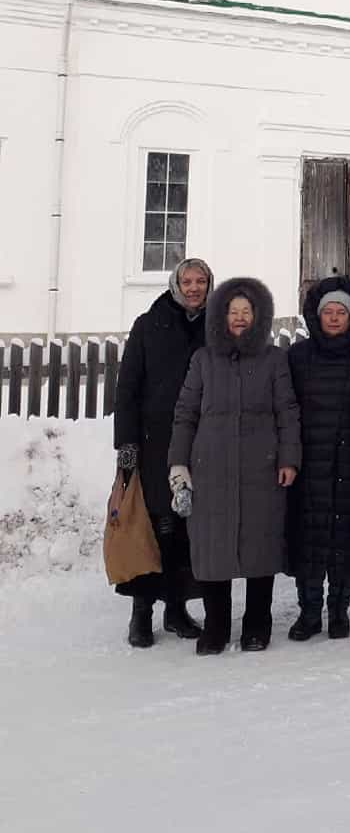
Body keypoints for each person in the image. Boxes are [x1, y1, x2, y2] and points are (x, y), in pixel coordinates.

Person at [168, 277, 301, 655]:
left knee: (261, 547)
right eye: (233, 311)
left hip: (263, 469)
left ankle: (257, 625)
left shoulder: (275, 359)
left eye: (247, 312)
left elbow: (287, 412)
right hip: (210, 469)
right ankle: (216, 626)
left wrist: (290, 458)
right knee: (213, 550)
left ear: (258, 317)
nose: (240, 318)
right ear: (221, 316)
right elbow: (185, 414)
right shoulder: (203, 360)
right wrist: (178, 463)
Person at [113, 256, 214, 648]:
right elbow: (127, 391)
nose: (193, 288)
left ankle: (177, 609)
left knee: (187, 530)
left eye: (200, 281)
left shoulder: (216, 327)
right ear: (175, 284)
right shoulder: (148, 325)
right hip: (154, 445)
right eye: (186, 281)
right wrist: (127, 446)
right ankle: (142, 613)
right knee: (153, 528)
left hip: (200, 443)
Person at [286, 276, 350, 640]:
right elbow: (286, 408)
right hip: (309, 463)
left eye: (342, 311)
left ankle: (339, 610)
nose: (335, 317)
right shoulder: (297, 355)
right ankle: (309, 613)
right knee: (309, 540)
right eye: (328, 311)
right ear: (317, 315)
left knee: (345, 538)